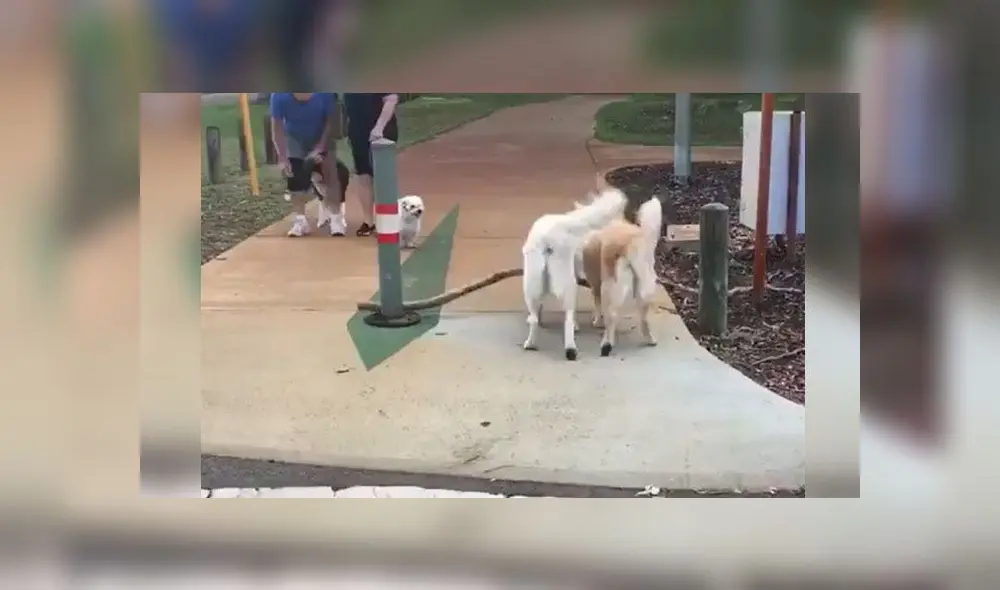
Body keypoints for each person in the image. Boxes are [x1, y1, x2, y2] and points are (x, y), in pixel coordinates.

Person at [269, 92, 343, 236]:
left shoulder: (324, 93)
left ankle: (336, 217)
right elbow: (276, 127)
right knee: (294, 174)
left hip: (321, 133)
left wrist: (320, 148)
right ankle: (300, 220)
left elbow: (331, 122)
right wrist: (283, 158)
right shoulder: (278, 96)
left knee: (329, 173)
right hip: (294, 136)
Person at [343, 93, 399, 236]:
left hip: (382, 129)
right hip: (357, 129)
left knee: (382, 175)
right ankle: (369, 221)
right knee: (363, 173)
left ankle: (387, 219)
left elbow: (391, 100)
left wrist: (379, 127)